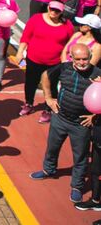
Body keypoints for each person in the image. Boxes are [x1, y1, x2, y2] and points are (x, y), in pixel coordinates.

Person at [30, 43, 101, 205]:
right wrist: (48, 98)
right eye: (78, 59)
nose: (83, 62)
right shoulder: (64, 68)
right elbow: (45, 76)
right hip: (60, 118)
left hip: (80, 124)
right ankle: (48, 169)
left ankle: (77, 186)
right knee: (52, 147)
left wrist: (94, 116)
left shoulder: (98, 75)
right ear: (71, 58)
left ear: (90, 58)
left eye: (86, 59)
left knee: (80, 157)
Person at [16, 1, 75, 122]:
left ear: (61, 12)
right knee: (30, 82)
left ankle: (49, 109)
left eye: (57, 10)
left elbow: (70, 44)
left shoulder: (67, 25)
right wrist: (20, 52)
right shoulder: (36, 19)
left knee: (51, 86)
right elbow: (26, 37)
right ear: (48, 8)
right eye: (52, 9)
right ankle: (29, 104)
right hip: (33, 59)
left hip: (54, 63)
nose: (53, 12)